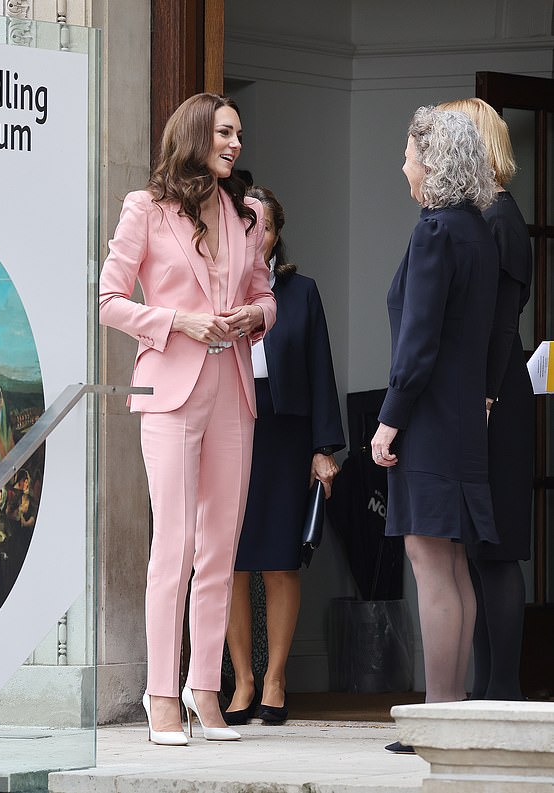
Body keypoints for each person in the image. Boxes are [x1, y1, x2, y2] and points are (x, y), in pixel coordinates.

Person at [99, 93, 276, 745]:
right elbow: (110, 301)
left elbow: (264, 294)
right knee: (172, 544)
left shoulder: (246, 213)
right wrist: (178, 320)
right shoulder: (144, 210)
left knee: (219, 548)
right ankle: (161, 696)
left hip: (233, 385)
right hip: (169, 388)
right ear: (196, 135)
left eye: (239, 133)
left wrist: (252, 317)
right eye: (225, 132)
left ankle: (207, 689)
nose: (235, 143)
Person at [371, 106, 498, 751]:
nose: (404, 164)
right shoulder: (478, 230)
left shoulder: (435, 231)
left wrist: (389, 419)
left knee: (428, 560)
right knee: (451, 563)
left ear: (435, 160)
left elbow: (417, 344)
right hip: (463, 419)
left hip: (428, 418)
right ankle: (453, 711)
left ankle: (438, 714)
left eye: (409, 152)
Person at [223, 186, 345, 725]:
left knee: (277, 560)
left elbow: (321, 369)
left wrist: (323, 449)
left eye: (263, 227)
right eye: (244, 225)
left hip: (285, 432)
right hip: (227, 425)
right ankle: (242, 682)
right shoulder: (215, 285)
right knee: (227, 563)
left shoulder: (302, 292)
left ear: (276, 235)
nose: (254, 236)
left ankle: (275, 678)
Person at [438, 98, 534, 700]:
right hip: (481, 395)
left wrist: (487, 396)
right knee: (473, 550)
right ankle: (480, 691)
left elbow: (501, 323)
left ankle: (503, 692)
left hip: (494, 397)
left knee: (494, 550)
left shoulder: (500, 217)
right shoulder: (480, 217)